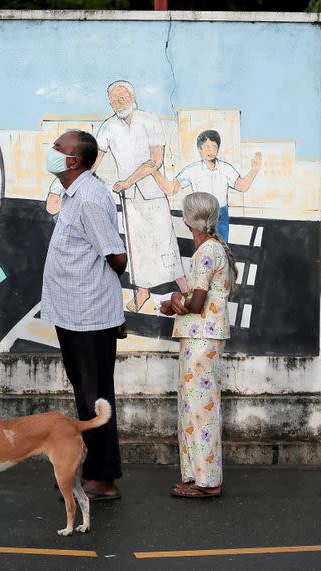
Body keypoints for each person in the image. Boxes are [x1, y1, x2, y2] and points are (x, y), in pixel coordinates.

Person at [41, 130, 128, 501]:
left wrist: (104, 297)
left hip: (90, 316)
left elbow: (117, 256)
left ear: (74, 161)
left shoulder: (90, 198)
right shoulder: (71, 194)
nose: (52, 152)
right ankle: (89, 470)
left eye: (58, 149)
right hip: (73, 314)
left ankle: (103, 479)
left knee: (96, 399)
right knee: (85, 397)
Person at [160, 192, 234, 498]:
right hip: (203, 336)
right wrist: (178, 300)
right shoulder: (215, 250)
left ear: (190, 219)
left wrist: (174, 302)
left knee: (199, 409)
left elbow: (198, 301)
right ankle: (196, 475)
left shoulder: (205, 252)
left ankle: (208, 481)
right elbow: (197, 297)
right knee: (194, 407)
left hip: (201, 337)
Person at [95, 80, 186, 313]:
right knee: (136, 246)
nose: (118, 103)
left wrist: (127, 181)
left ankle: (184, 288)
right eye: (114, 100)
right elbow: (96, 158)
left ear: (133, 97)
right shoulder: (107, 127)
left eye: (122, 97)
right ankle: (142, 291)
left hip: (153, 191)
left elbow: (155, 160)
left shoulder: (149, 120)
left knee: (165, 240)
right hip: (129, 197)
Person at [151, 129, 262, 241]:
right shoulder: (193, 170)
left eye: (214, 146)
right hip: (201, 214)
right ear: (200, 149)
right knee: (203, 249)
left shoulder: (225, 168)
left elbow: (242, 186)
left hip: (220, 214)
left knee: (221, 249)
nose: (211, 150)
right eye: (207, 146)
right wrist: (154, 171)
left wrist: (255, 169)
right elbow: (171, 189)